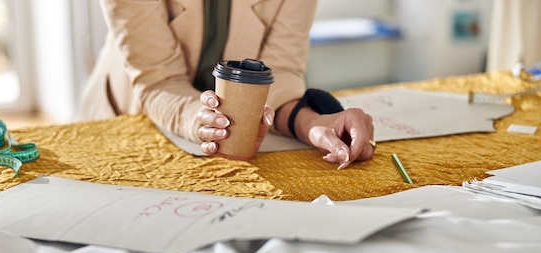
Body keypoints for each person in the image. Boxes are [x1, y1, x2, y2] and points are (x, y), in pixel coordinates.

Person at [78, 0, 375, 169]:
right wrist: (209, 122)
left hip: (228, 131)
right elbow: (160, 80)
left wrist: (312, 123)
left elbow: (279, 71)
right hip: (131, 118)